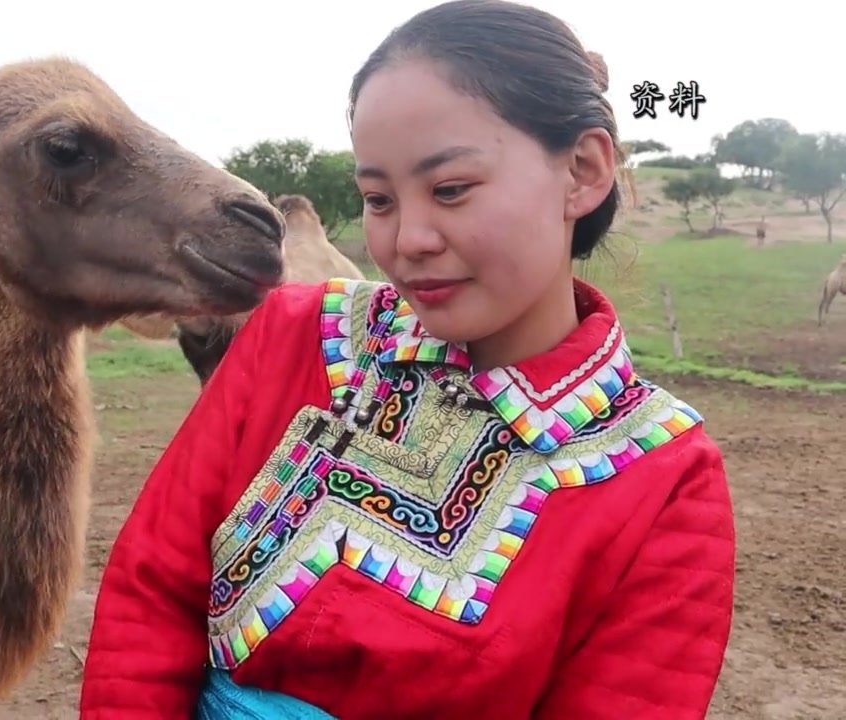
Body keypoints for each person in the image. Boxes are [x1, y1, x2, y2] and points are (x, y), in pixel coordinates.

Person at [79, 1, 736, 717]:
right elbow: (149, 599)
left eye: (450, 189)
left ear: (582, 170)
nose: (407, 239)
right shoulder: (291, 335)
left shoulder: (666, 479)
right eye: (378, 199)